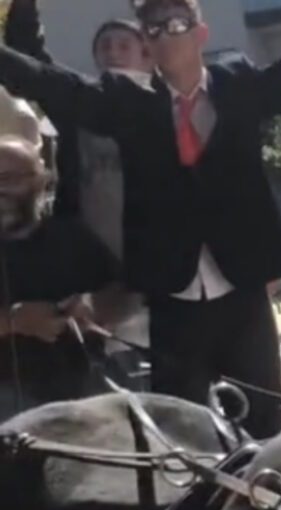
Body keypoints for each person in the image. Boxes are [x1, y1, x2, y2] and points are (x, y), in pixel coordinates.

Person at [0, 0, 281, 438]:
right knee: (182, 437)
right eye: (152, 29)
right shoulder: (127, 103)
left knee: (268, 427)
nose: (162, 34)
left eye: (175, 24)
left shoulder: (238, 86)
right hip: (173, 303)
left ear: (201, 34)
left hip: (243, 294)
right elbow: (47, 81)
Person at [5, 0, 156, 388]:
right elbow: (28, 56)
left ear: (149, 56)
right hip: (90, 282)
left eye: (123, 45)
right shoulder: (80, 104)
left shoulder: (170, 112)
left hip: (159, 281)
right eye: (104, 46)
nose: (113, 52)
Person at [0, 135, 119, 420]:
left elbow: (118, 290)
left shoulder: (71, 237)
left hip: (79, 388)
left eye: (9, 179)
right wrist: (14, 321)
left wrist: (92, 307)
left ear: (42, 180)